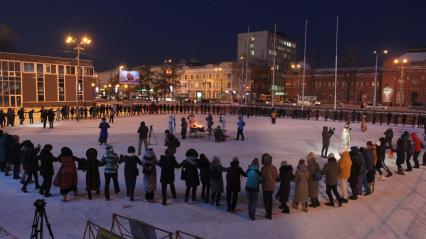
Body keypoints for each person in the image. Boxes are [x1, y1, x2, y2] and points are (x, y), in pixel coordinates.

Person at [261, 153, 278, 219]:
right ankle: (270, 212)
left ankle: (268, 214)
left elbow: (262, 178)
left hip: (266, 186)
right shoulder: (274, 167)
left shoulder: (264, 168)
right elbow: (277, 176)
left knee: (266, 200)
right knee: (270, 199)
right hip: (272, 186)